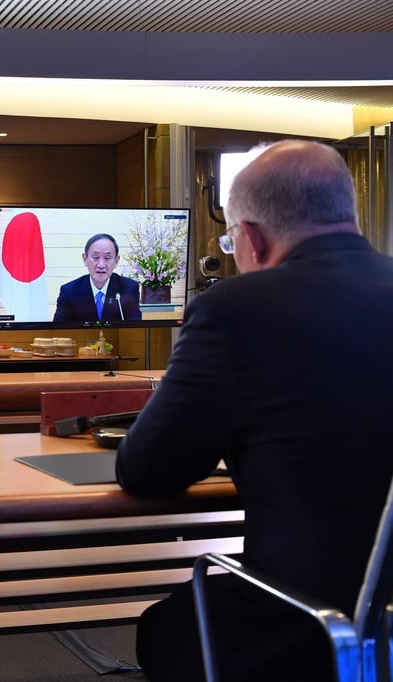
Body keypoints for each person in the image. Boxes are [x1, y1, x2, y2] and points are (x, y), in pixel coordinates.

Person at [115, 140, 393, 681]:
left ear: (251, 239)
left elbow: (146, 471)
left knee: (162, 630)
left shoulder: (234, 311)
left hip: (309, 624)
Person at [52, 233, 142, 323]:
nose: (101, 265)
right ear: (85, 259)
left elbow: (135, 329)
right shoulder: (70, 292)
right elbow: (58, 331)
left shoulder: (129, 289)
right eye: (95, 257)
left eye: (107, 258)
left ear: (116, 261)